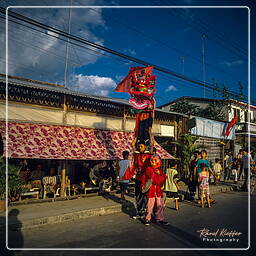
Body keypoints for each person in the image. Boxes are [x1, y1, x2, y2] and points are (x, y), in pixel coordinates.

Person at [142, 154, 168, 225]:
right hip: (151, 191)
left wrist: (160, 175)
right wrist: (159, 175)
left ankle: (159, 219)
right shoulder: (149, 169)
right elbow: (154, 180)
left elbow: (162, 180)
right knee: (150, 205)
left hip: (158, 191)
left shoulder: (159, 170)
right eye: (152, 160)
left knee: (160, 205)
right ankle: (147, 218)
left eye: (155, 160)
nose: (153, 161)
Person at [132, 142, 151, 219]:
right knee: (138, 195)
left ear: (145, 147)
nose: (140, 148)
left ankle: (145, 212)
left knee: (144, 196)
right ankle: (139, 212)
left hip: (145, 179)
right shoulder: (137, 155)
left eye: (141, 146)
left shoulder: (148, 156)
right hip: (138, 178)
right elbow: (133, 147)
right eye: (139, 146)